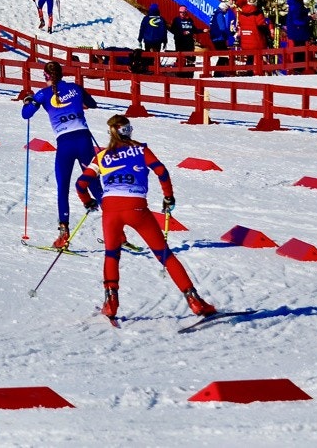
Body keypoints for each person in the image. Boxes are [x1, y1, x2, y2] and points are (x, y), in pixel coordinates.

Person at [76, 114, 217, 322]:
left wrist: (87, 201)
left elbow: (80, 183)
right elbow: (161, 171)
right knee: (165, 255)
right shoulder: (141, 149)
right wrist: (168, 197)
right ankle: (194, 300)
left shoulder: (101, 156)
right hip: (137, 207)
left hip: (111, 210)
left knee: (112, 254)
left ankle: (111, 302)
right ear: (128, 130)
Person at [19, 61, 99, 250]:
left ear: (46, 76)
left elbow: (26, 114)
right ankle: (117, 232)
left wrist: (29, 100)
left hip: (65, 144)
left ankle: (63, 234)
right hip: (84, 139)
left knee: (63, 187)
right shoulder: (75, 88)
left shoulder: (43, 94)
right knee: (95, 183)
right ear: (62, 74)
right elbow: (93, 104)